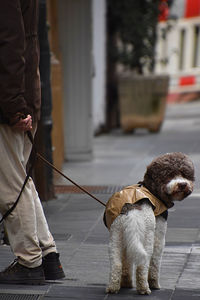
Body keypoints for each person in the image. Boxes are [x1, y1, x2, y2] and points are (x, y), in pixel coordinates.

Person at [0, 1, 65, 284]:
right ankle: (48, 256)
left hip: (12, 104)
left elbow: (9, 45)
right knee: (20, 180)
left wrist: (14, 107)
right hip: (22, 99)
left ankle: (29, 262)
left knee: (9, 186)